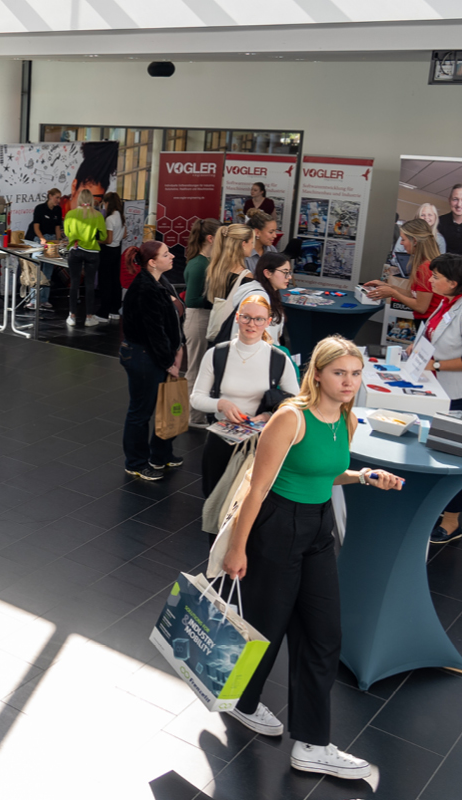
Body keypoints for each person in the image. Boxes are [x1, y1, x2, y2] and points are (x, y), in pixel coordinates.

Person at [222, 335, 402, 781]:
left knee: (324, 633)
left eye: (355, 374)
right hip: (277, 525)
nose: (349, 382)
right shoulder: (291, 418)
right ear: (317, 374)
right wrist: (237, 547)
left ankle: (311, 744)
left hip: (319, 527)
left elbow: (325, 472)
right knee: (266, 625)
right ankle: (242, 700)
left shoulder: (347, 419)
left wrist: (363, 475)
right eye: (339, 373)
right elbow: (258, 488)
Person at [191, 294, 299, 497]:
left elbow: (296, 403)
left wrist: (268, 416)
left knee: (251, 498)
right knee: (214, 498)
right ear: (237, 317)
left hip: (262, 441)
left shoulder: (278, 359)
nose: (252, 324)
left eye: (259, 319)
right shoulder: (216, 354)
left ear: (268, 322)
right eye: (246, 317)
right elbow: (196, 398)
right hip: (221, 439)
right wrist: (221, 404)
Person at [119, 241, 184, 481]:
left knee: (162, 406)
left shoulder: (158, 281)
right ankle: (136, 462)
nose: (172, 256)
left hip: (152, 355)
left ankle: (160, 455)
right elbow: (154, 332)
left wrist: (176, 349)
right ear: (152, 262)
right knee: (141, 411)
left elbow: (168, 324)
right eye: (166, 254)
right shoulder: (145, 289)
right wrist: (169, 362)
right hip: (144, 357)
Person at [413, 254, 462, 544]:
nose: (430, 280)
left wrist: (438, 365)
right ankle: (440, 509)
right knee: (436, 449)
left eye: (436, 277)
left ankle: (453, 519)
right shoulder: (446, 302)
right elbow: (433, 334)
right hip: (437, 388)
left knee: (451, 454)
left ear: (453, 282)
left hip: (456, 394)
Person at [363, 219, 443, 320]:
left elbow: (421, 307)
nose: (401, 243)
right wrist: (387, 286)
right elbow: (414, 294)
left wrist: (393, 293)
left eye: (403, 239)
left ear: (414, 241)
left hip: (428, 320)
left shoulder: (426, 268)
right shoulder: (423, 263)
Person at [183, 219, 220, 427]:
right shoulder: (199, 264)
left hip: (202, 317)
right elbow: (191, 300)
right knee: (195, 368)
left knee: (200, 368)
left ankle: (197, 414)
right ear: (211, 238)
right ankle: (193, 416)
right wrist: (217, 301)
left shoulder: (205, 261)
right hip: (198, 318)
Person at [222, 252, 293, 345]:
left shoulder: (268, 293)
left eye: (289, 272)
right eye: (285, 272)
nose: (289, 277)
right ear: (268, 273)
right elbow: (256, 333)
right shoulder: (258, 298)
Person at [63, 188, 107, 328]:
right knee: (89, 284)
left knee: (74, 283)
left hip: (75, 250)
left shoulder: (71, 214)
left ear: (79, 199)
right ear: (91, 200)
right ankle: (89, 317)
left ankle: (72, 316)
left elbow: (67, 233)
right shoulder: (97, 215)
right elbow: (103, 236)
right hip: (92, 251)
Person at [204, 223, 254, 320]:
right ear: (243, 244)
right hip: (233, 325)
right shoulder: (246, 275)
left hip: (216, 323)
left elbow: (207, 302)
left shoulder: (215, 269)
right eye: (252, 242)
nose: (253, 247)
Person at [27, 188, 63, 311]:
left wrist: (58, 240)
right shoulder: (40, 208)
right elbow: (36, 226)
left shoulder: (58, 210)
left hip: (52, 240)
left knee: (48, 270)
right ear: (50, 196)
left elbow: (57, 227)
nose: (58, 200)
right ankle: (33, 300)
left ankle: (44, 299)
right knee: (36, 268)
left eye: (59, 198)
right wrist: (42, 239)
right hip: (39, 238)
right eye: (57, 197)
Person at [96, 191, 125, 321]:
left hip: (107, 252)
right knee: (115, 281)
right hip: (117, 250)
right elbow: (125, 234)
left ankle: (104, 312)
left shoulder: (109, 219)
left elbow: (108, 240)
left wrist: (96, 240)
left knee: (105, 282)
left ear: (108, 203)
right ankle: (115, 310)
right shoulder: (121, 216)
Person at [440, 184, 462, 256]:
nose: (459, 204)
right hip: (442, 263)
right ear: (449, 200)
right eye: (455, 199)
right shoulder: (439, 223)